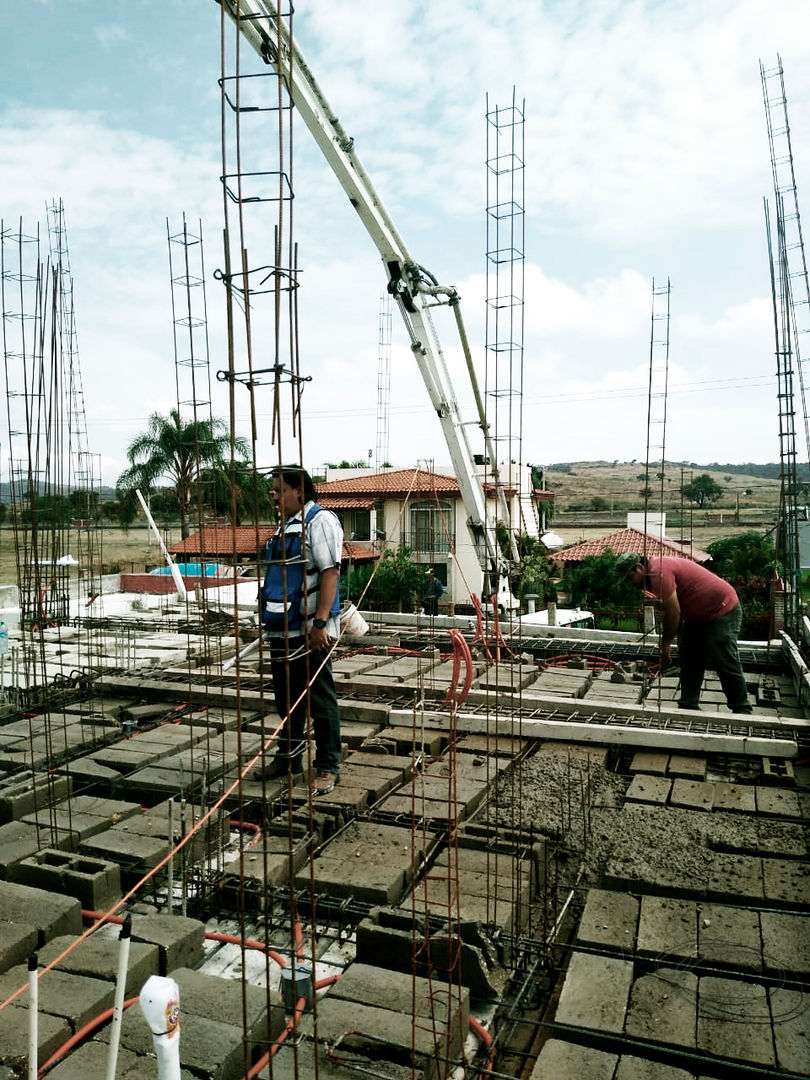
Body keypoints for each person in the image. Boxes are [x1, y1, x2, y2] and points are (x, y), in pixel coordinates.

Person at [262, 465, 344, 794]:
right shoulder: (285, 528)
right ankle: (289, 756)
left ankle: (327, 766)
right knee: (286, 698)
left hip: (311, 630)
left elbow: (330, 573)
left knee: (319, 699)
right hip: (283, 628)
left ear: (299, 491)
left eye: (280, 490)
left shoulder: (319, 522)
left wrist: (321, 623)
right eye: (273, 491)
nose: (275, 497)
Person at [616, 551, 752, 714]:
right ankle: (688, 705)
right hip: (696, 616)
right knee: (689, 654)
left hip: (722, 608)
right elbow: (675, 609)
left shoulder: (658, 572)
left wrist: (665, 643)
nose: (630, 584)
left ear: (639, 567)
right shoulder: (653, 573)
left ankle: (741, 707)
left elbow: (674, 612)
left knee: (722, 655)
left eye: (629, 578)